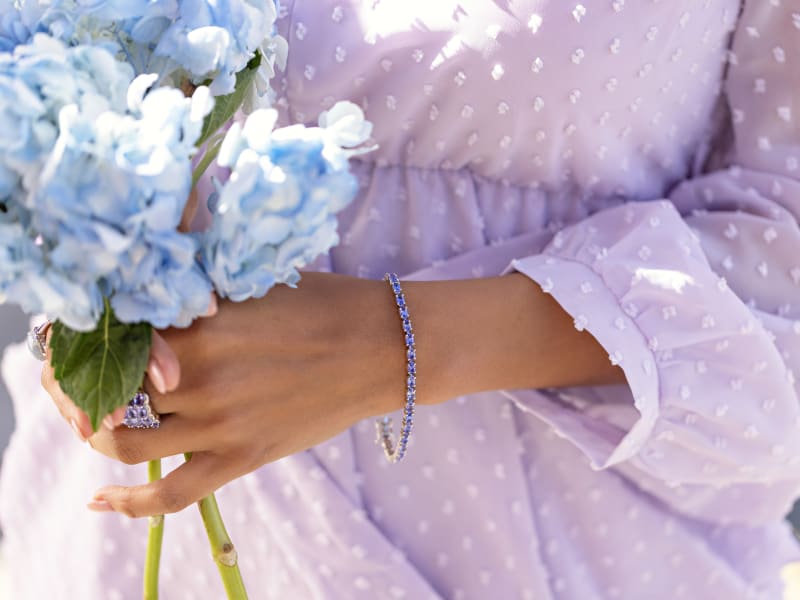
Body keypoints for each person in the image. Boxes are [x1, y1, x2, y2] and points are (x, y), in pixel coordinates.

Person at [2, 1, 800, 598]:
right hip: (126, 542)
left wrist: (394, 344)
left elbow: (784, 240)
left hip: (545, 543)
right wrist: (74, 289)